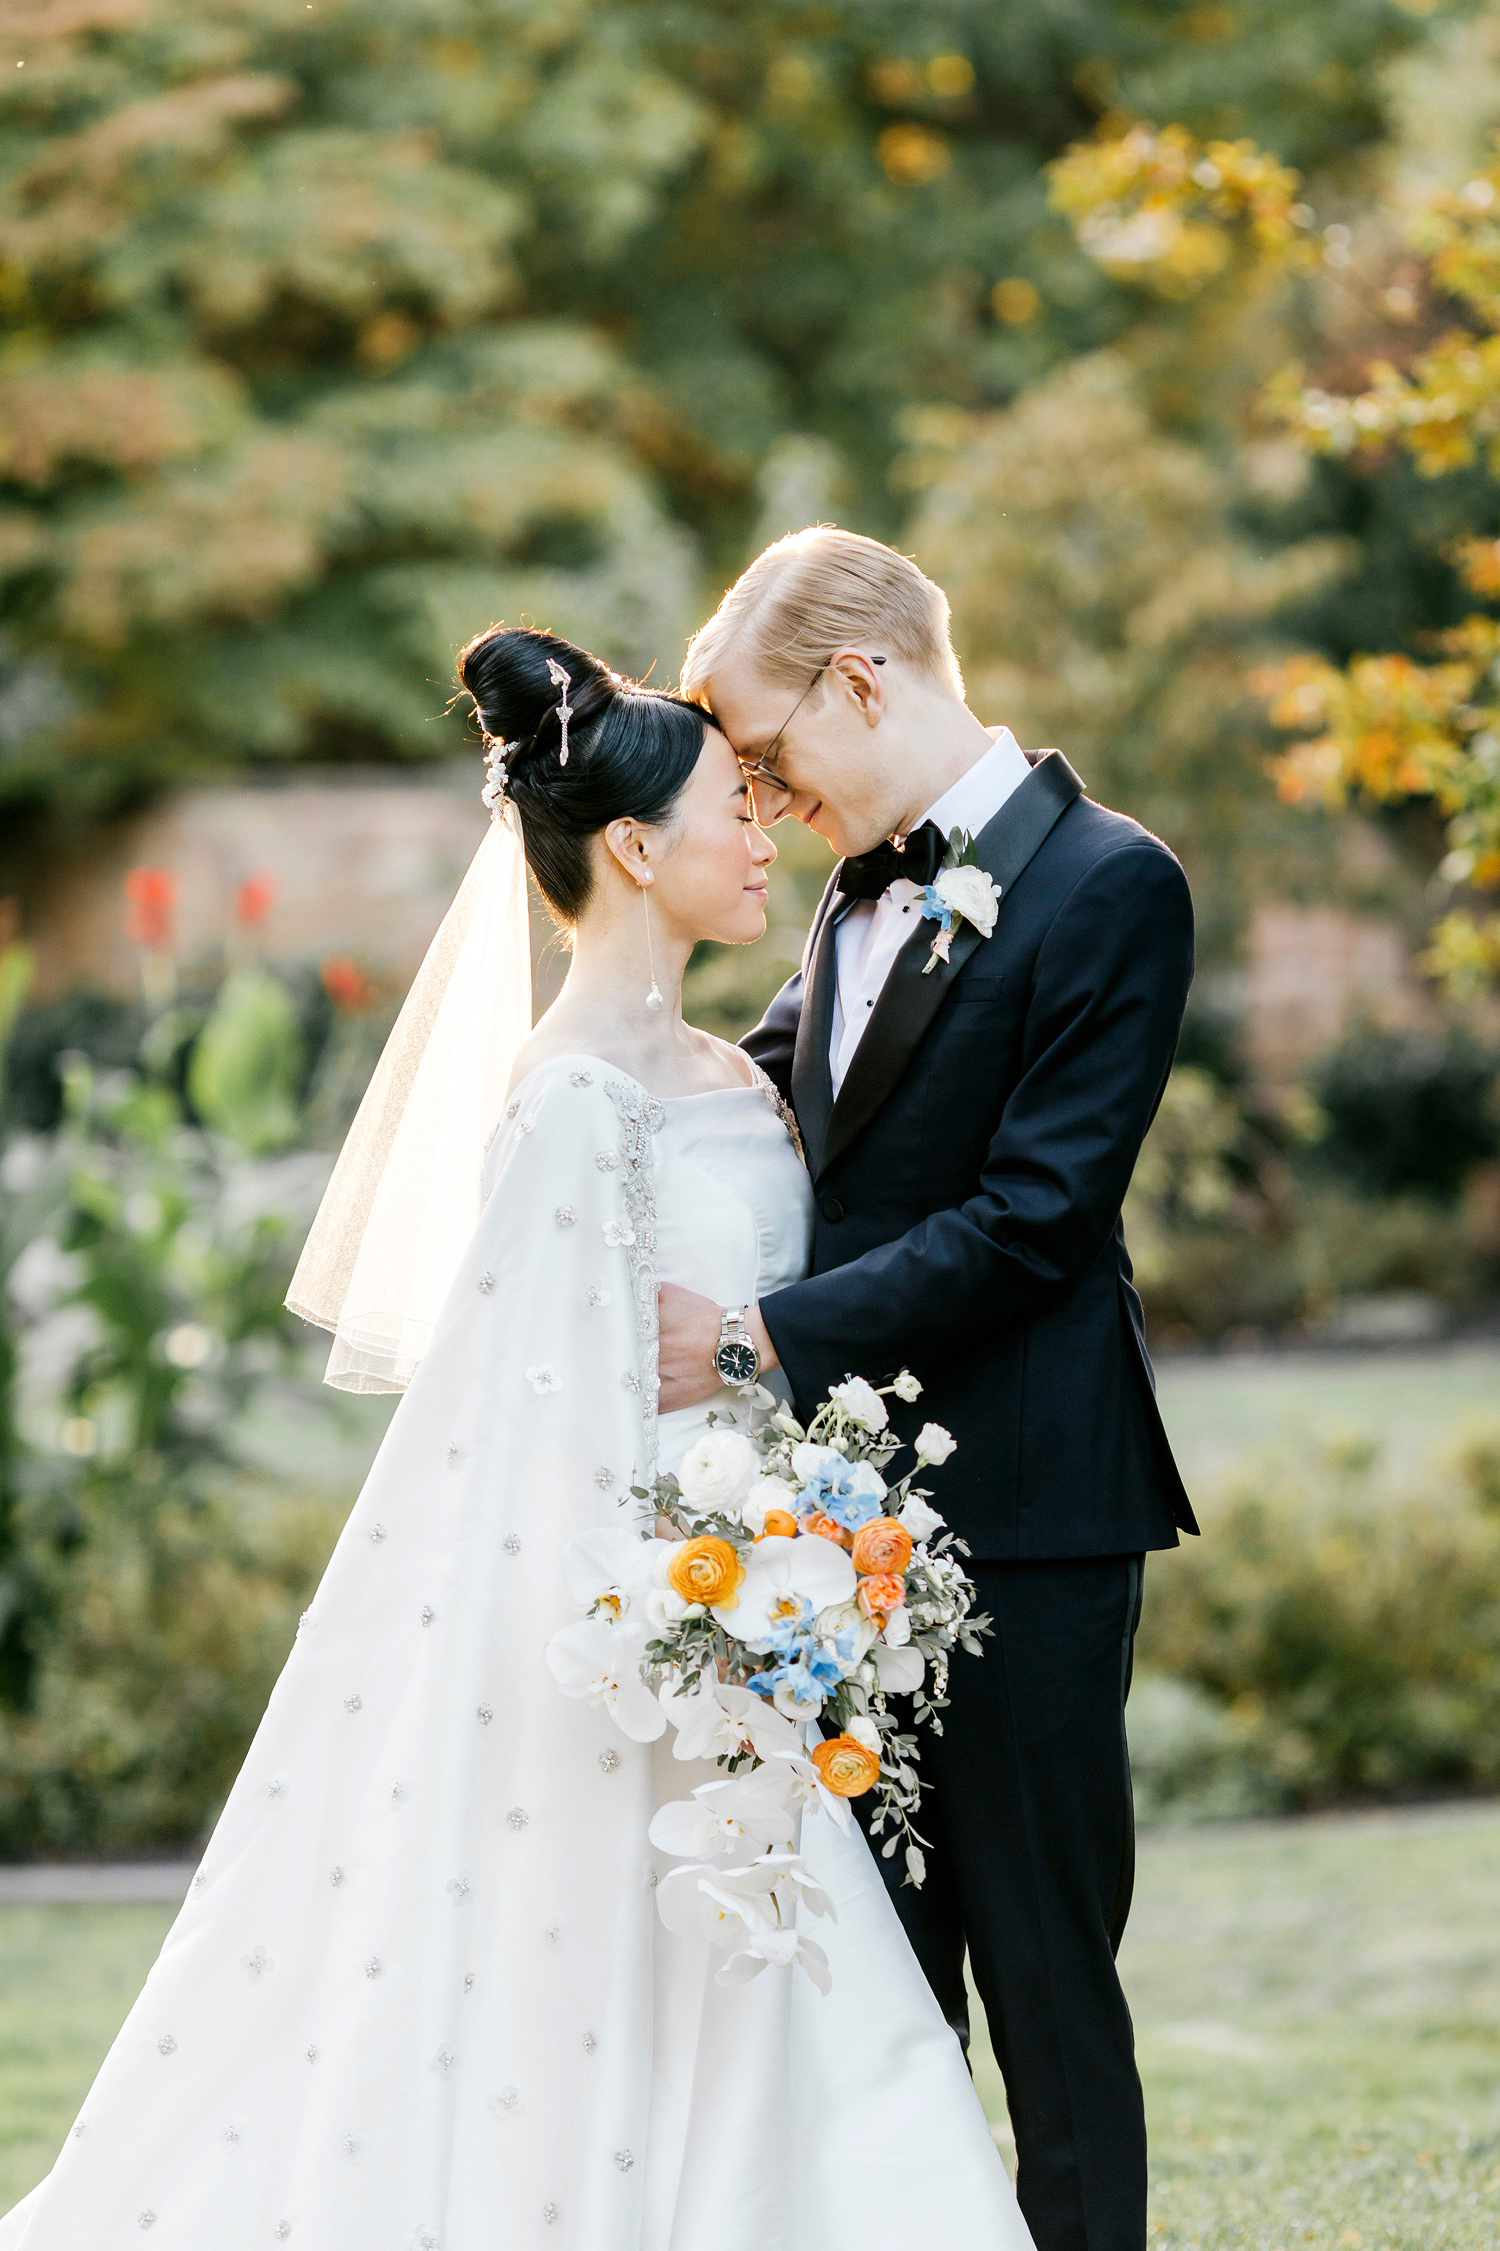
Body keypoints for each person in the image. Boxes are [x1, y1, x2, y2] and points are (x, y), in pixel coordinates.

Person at [0, 627, 1031, 2251]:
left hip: (758, 1623)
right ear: (634, 845)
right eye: (732, 809)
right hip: (655, 1640)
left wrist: (791, 1569)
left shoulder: (731, 1072)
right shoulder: (569, 1099)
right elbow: (526, 1431)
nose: (766, 833)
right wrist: (694, 1619)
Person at [657, 528, 1198, 2251]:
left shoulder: (1115, 885)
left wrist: (755, 1340)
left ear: (864, 680)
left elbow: (1037, 1220)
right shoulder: (852, 889)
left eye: (769, 754)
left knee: (1045, 1978)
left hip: (1032, 1519)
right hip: (838, 1530)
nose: (764, 797)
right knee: (878, 1983)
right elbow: (775, 1106)